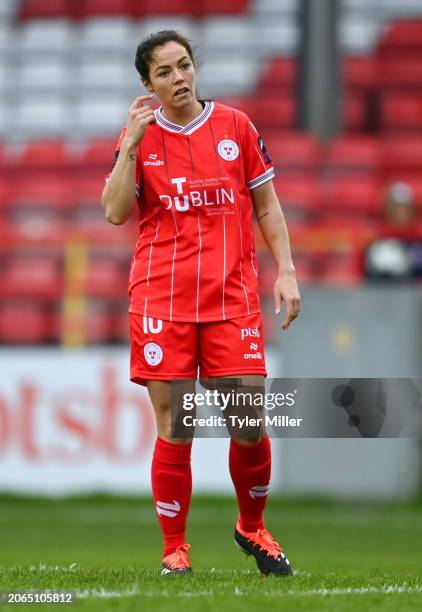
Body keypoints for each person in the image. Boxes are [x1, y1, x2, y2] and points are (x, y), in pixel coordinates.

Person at [101, 30, 301, 576]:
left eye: (184, 65)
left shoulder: (237, 126)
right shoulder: (137, 137)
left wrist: (285, 270)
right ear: (147, 84)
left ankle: (252, 526)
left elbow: (267, 206)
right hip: (161, 299)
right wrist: (133, 144)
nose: (179, 78)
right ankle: (175, 550)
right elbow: (116, 211)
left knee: (249, 419)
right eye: (164, 72)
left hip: (231, 298)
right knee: (176, 424)